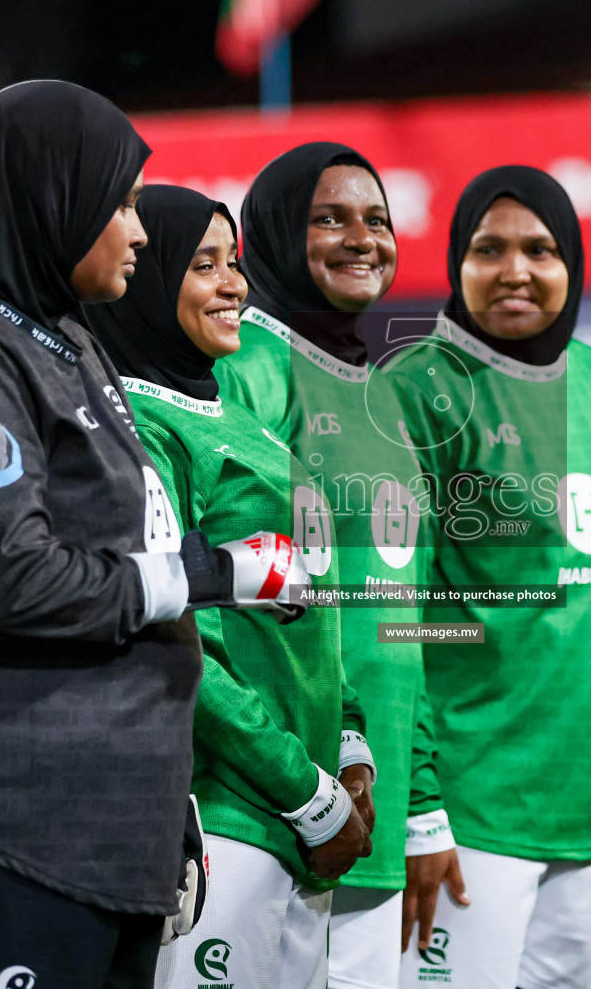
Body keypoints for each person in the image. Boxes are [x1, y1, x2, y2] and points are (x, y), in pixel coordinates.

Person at [0, 81, 304, 989]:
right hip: (29, 832)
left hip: (115, 832)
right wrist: (204, 571)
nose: (141, 228)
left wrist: (164, 807)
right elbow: (18, 579)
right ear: (51, 196)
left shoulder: (62, 339)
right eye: (119, 202)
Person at [81, 184, 374, 989]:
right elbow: (179, 647)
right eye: (204, 265)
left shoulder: (238, 419)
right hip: (226, 815)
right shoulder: (141, 431)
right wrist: (307, 793)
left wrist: (350, 751)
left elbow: (312, 611)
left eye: (235, 263)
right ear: (148, 282)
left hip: (301, 823)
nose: (234, 284)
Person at [390, 165, 591, 989]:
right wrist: (421, 805)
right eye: (490, 248)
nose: (516, 269)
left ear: (573, 264)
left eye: (541, 249)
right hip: (470, 815)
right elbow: (394, 618)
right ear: (455, 261)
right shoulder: (415, 392)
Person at [212, 143, 459, 989]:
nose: (362, 238)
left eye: (377, 219)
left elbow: (403, 615)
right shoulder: (245, 363)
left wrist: (419, 802)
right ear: (278, 232)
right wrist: (303, 779)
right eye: (330, 218)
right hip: (277, 800)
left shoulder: (381, 388)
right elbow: (229, 597)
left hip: (373, 805)